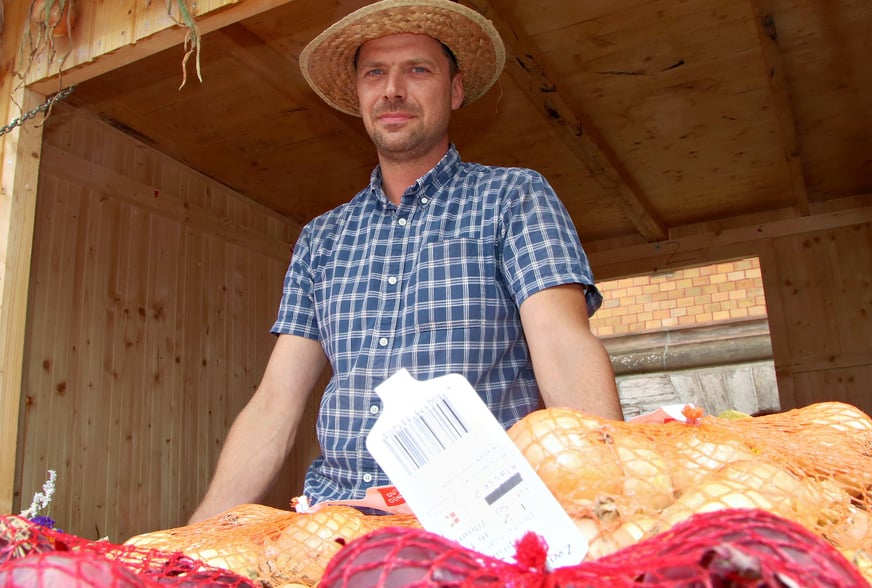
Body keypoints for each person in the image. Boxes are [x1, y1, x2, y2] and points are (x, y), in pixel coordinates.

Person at [188, 0, 623, 524]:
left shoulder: (514, 198)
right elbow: (274, 403)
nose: (393, 89)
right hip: (335, 521)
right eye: (375, 73)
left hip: (484, 515)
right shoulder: (321, 238)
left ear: (455, 90)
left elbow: (565, 348)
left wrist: (613, 501)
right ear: (360, 95)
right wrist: (200, 534)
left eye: (417, 69)